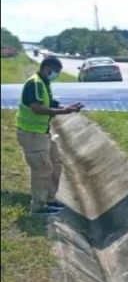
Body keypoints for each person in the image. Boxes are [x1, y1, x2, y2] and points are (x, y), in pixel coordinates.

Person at [15, 56, 83, 215]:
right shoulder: (35, 84)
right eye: (56, 72)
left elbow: (50, 103)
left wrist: (68, 107)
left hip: (43, 132)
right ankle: (38, 206)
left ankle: (49, 199)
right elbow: (37, 108)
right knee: (42, 169)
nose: (57, 75)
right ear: (47, 69)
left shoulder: (45, 83)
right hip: (31, 134)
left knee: (56, 164)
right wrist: (63, 111)